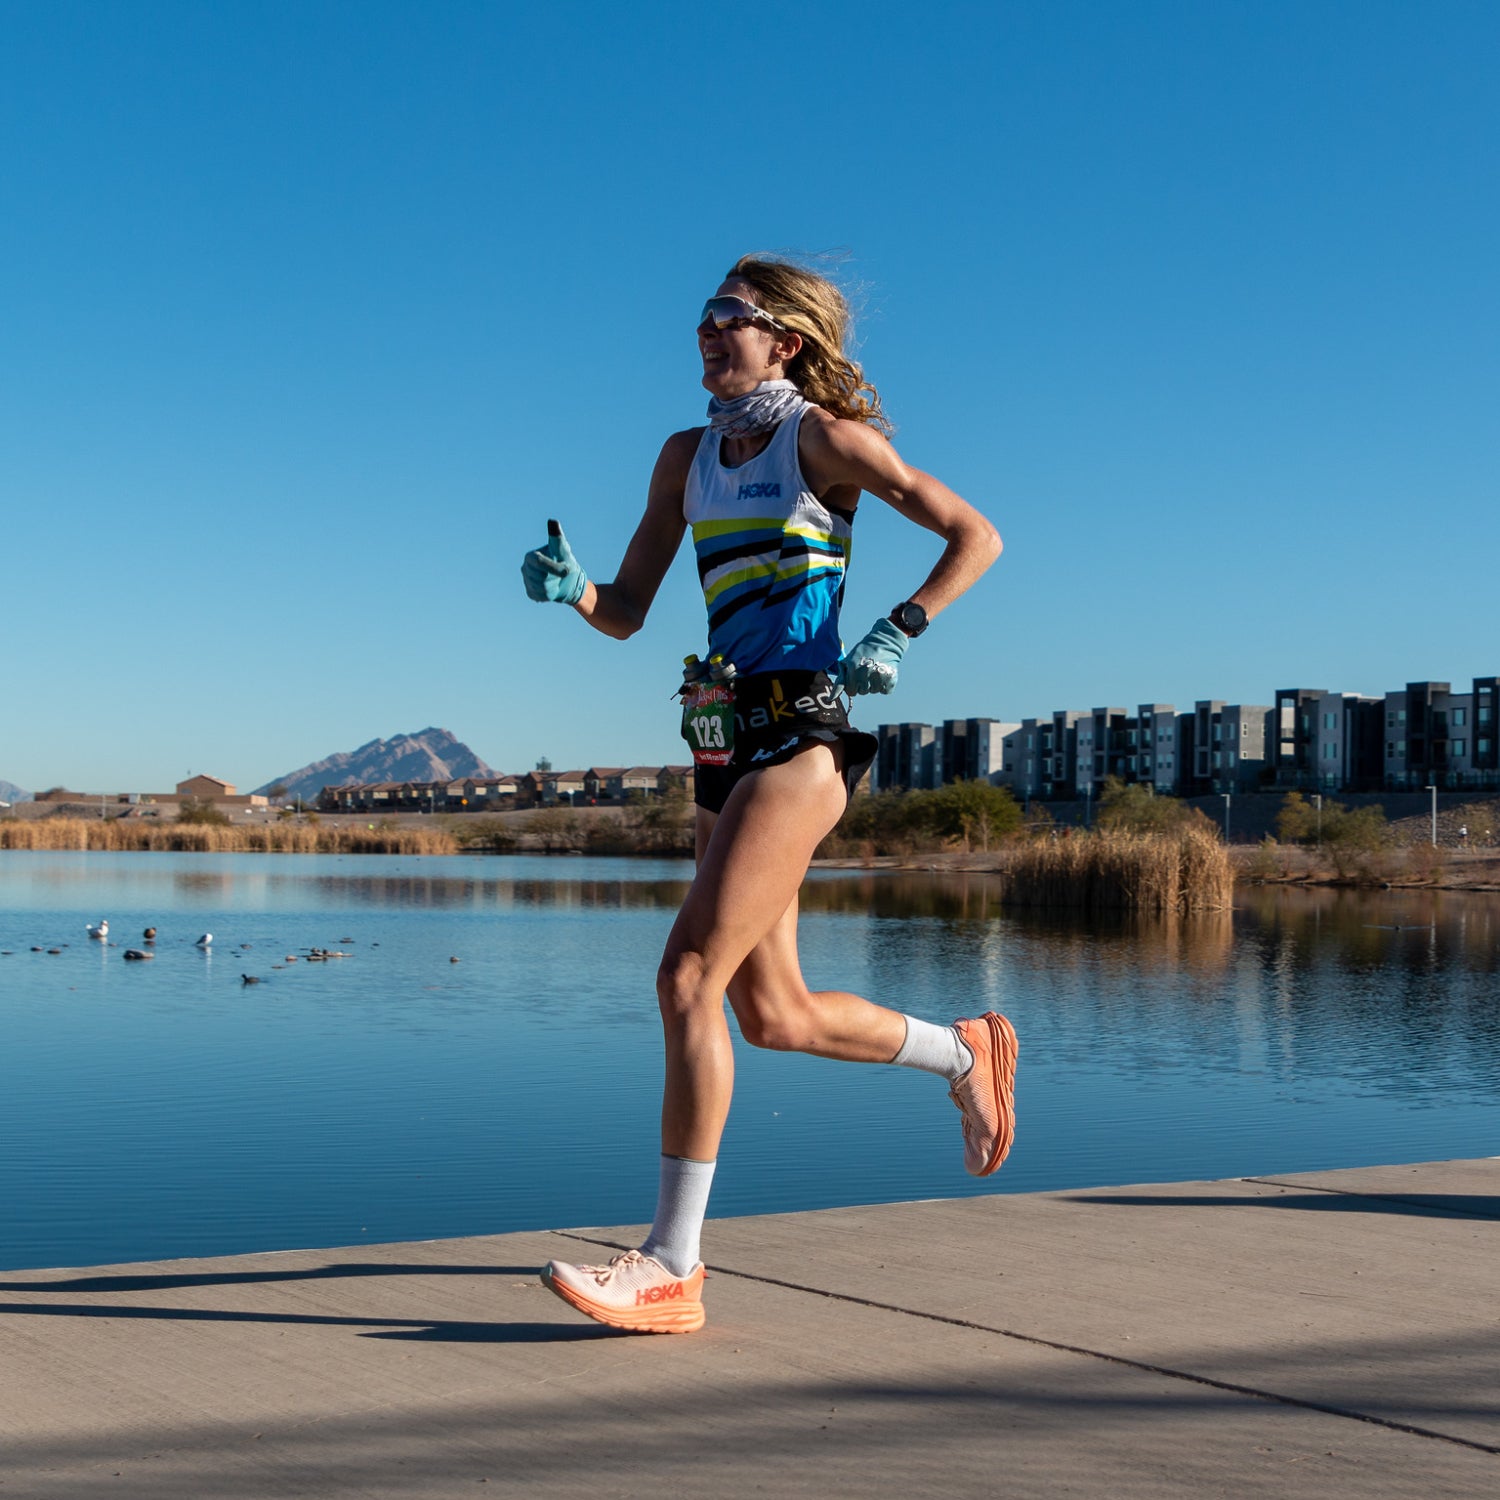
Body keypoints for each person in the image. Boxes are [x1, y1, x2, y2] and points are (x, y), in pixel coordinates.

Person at [521, 254, 1015, 1334]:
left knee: (687, 975)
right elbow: (630, 610)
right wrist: (576, 594)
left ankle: (671, 1265)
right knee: (770, 1011)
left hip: (801, 735)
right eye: (700, 318)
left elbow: (976, 534)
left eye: (727, 319)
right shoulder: (684, 457)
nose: (705, 333)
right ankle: (962, 1049)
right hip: (718, 733)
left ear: (784, 340)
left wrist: (901, 627)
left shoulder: (823, 442)